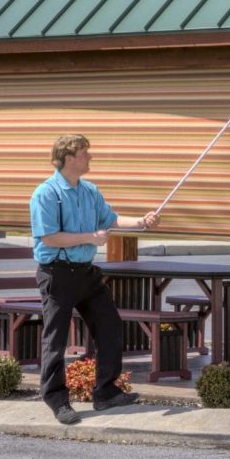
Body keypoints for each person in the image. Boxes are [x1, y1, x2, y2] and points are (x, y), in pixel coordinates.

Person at [31, 133, 160, 425]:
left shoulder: (89, 191)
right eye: (84, 153)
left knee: (110, 325)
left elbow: (111, 219)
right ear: (67, 158)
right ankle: (56, 399)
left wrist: (141, 221)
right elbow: (50, 238)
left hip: (86, 273)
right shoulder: (46, 194)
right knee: (56, 338)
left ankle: (106, 391)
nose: (90, 157)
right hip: (57, 273)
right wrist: (90, 237)